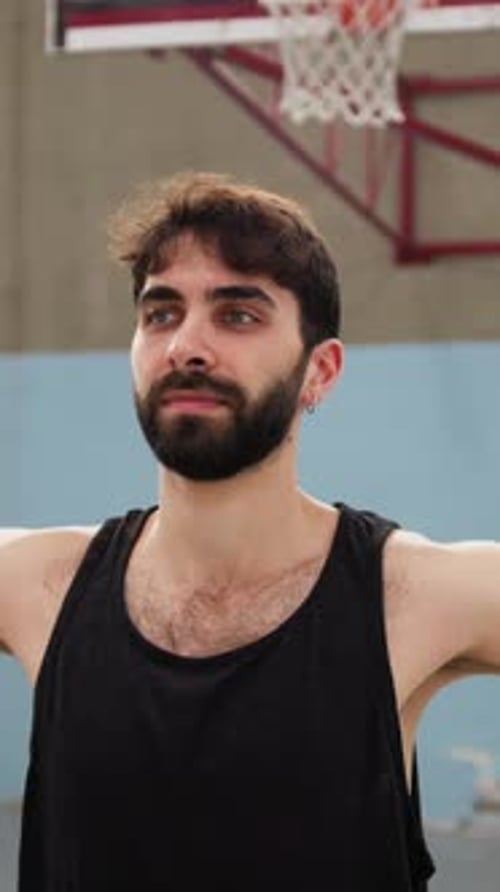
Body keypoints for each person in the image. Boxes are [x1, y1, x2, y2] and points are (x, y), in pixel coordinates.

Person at [0, 171, 499, 891]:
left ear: (319, 372)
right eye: (162, 314)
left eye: (238, 315)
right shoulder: (40, 585)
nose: (186, 347)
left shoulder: (410, 595)